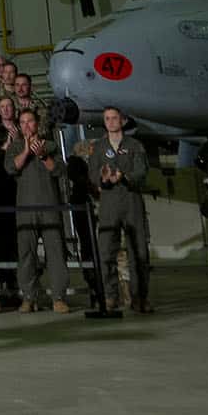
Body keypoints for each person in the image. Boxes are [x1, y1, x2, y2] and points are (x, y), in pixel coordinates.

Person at [83, 107, 151, 313]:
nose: (111, 122)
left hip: (131, 199)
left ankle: (139, 298)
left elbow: (142, 171)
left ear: (122, 121)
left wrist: (124, 176)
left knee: (138, 251)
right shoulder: (98, 147)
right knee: (106, 251)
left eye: (114, 118)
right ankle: (110, 296)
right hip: (109, 202)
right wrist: (102, 178)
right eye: (107, 119)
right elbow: (92, 173)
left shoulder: (134, 145)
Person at [10, 107, 70, 313]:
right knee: (26, 255)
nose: (27, 126)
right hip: (25, 209)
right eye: (23, 122)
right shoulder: (15, 147)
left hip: (49, 207)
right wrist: (26, 151)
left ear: (37, 123)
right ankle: (29, 297)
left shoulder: (50, 145)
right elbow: (11, 167)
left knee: (56, 253)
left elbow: (60, 170)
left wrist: (44, 156)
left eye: (30, 121)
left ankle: (59, 297)